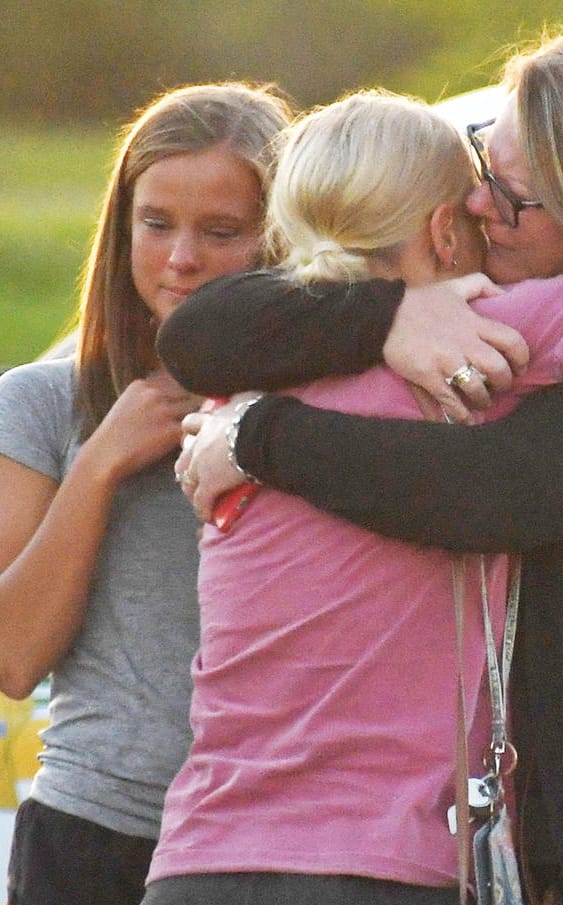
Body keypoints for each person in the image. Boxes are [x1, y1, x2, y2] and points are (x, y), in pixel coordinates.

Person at [158, 18, 563, 905]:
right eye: (483, 162)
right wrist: (387, 318)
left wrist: (260, 435)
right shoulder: (469, 320)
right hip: (509, 866)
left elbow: (486, 491)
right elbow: (201, 331)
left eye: (514, 199)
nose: (479, 206)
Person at [0, 83, 291, 905]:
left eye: (222, 231)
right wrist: (97, 466)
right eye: (156, 222)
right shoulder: (42, 402)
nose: (180, 258)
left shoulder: (323, 411)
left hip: (279, 843)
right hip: (96, 838)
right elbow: (14, 658)